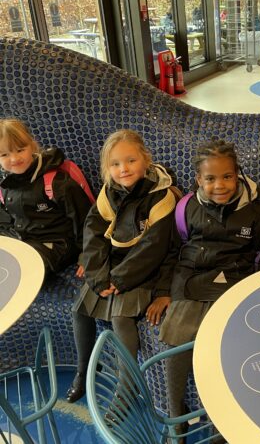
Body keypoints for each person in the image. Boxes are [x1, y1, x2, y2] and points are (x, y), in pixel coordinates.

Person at [159, 139, 260, 426]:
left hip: (234, 284)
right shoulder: (185, 208)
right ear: (199, 179)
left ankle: (219, 424)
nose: (220, 185)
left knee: (222, 348)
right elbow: (171, 252)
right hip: (190, 282)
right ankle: (176, 416)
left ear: (237, 175)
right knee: (176, 343)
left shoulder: (256, 214)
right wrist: (164, 292)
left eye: (227, 176)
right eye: (211, 178)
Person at [66, 129, 178, 403]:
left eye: (131, 161)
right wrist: (97, 275)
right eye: (115, 164)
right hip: (112, 265)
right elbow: (94, 232)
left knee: (121, 319)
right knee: (79, 310)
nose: (123, 169)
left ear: (146, 159)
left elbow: (154, 248)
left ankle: (126, 391)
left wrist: (118, 279)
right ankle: (83, 371)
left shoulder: (161, 196)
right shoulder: (109, 192)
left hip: (144, 270)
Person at [0, 118, 92, 276]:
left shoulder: (57, 184)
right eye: (4, 154)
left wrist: (88, 255)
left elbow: (86, 219)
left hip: (57, 244)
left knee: (21, 271)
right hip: (24, 240)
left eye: (20, 150)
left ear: (32, 146)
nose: (14, 159)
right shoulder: (6, 186)